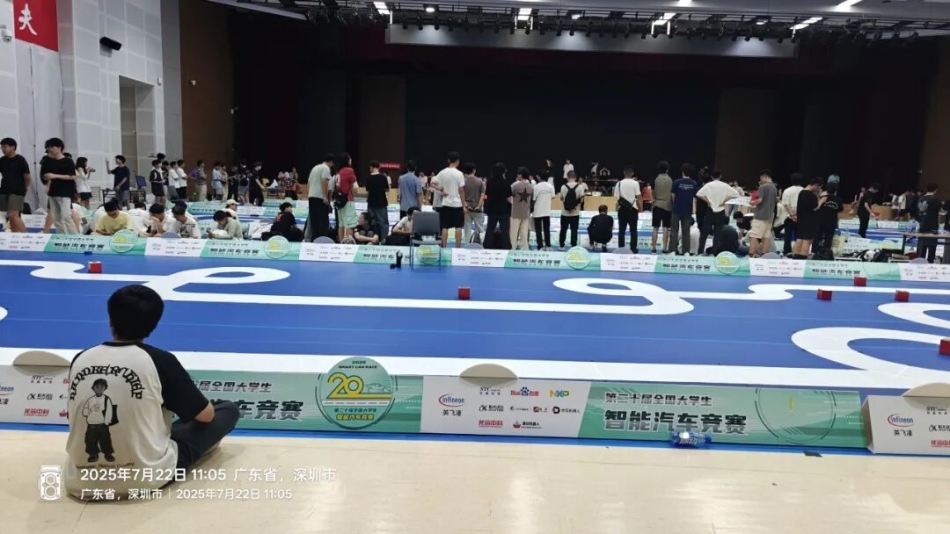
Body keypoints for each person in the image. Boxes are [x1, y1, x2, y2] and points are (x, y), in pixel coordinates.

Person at [65, 285, 239, 500]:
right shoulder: (160, 361)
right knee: (226, 410)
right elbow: (206, 416)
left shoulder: (81, 358)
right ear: (153, 325)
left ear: (110, 320)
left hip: (79, 481)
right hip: (145, 478)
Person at [41, 137, 79, 234]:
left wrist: (55, 176)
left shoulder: (68, 161)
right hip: (53, 192)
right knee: (56, 217)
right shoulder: (48, 161)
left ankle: (74, 237)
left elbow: (72, 176)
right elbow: (44, 175)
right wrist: (47, 179)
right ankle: (62, 236)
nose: (50, 149)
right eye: (49, 147)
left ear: (59, 147)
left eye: (52, 147)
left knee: (66, 216)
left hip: (65, 192)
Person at [695, 169, 736, 255]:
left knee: (704, 233)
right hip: (720, 210)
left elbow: (698, 194)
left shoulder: (709, 185)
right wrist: (724, 200)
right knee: (717, 234)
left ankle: (700, 252)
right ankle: (714, 253)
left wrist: (708, 201)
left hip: (711, 210)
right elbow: (736, 194)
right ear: (720, 176)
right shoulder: (725, 185)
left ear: (711, 176)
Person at [432, 151, 466, 248]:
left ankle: (443, 247)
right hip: (458, 204)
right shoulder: (460, 174)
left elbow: (432, 183)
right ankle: (458, 248)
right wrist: (464, 205)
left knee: (445, 227)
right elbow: (461, 190)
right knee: (458, 227)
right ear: (458, 161)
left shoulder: (442, 172)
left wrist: (440, 189)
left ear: (448, 160)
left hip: (446, 203)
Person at [0, 137, 31, 233]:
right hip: (4, 189)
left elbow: (27, 176)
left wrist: (25, 188)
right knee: (10, 215)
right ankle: (15, 234)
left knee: (13, 214)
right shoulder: (2, 160)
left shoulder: (20, 160)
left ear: (13, 147)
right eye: (2, 147)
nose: (3, 149)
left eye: (5, 147)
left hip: (17, 190)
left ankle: (26, 235)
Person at [748, 170, 778, 257]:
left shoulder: (763, 187)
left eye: (761, 178)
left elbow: (759, 200)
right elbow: (776, 200)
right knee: (766, 236)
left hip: (760, 215)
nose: (760, 180)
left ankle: (751, 253)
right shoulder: (774, 187)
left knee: (754, 234)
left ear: (765, 177)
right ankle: (764, 254)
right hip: (770, 216)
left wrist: (752, 203)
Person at [669, 163, 697, 255]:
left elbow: (673, 196)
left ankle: (672, 250)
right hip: (687, 210)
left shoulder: (676, 182)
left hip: (676, 209)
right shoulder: (694, 183)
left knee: (674, 230)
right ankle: (686, 252)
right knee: (686, 231)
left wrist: (676, 204)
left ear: (682, 171)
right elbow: (694, 198)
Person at [306, 153, 334, 241]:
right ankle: (322, 240)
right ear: (331, 162)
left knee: (314, 220)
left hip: (311, 196)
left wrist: (309, 194)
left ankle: (315, 239)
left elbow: (308, 183)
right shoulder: (326, 168)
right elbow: (324, 181)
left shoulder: (315, 168)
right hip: (320, 197)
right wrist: (325, 196)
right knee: (322, 221)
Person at [484, 162, 512, 249]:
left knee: (490, 228)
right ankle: (506, 246)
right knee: (505, 230)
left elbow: (487, 193)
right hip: (504, 209)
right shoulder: (506, 182)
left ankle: (487, 245)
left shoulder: (490, 182)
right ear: (503, 171)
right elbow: (508, 196)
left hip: (492, 208)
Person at [614, 165, 641, 253]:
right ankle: (633, 248)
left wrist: (616, 209)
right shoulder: (635, 183)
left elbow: (616, 198)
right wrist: (640, 208)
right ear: (632, 173)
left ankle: (621, 248)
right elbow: (639, 197)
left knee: (621, 230)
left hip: (622, 209)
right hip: (633, 209)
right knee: (633, 230)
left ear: (624, 173)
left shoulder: (619, 183)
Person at [792, 178, 820, 259]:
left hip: (801, 219)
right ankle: (803, 257)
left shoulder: (801, 192)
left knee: (800, 238)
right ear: (815, 185)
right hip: (809, 220)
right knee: (807, 240)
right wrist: (820, 201)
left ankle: (795, 255)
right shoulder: (811, 195)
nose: (818, 189)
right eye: (818, 187)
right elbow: (815, 208)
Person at [559, 171, 587, 249]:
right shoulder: (580, 187)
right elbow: (581, 200)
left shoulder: (563, 186)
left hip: (564, 213)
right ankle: (573, 245)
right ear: (576, 178)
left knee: (563, 229)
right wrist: (573, 206)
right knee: (574, 230)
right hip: (575, 212)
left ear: (567, 177)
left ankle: (561, 245)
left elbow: (561, 198)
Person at [335, 152, 359, 241]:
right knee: (350, 224)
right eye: (350, 158)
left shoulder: (338, 171)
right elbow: (355, 187)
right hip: (348, 200)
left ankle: (341, 243)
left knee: (341, 224)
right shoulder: (349, 170)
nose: (351, 160)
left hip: (339, 200)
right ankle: (348, 244)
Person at [651, 161, 673, 254]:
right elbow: (672, 194)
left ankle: (654, 248)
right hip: (667, 205)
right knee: (666, 227)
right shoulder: (670, 180)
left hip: (657, 204)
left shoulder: (655, 179)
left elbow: (652, 193)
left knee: (655, 227)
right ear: (667, 170)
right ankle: (664, 248)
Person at [366, 160, 390, 242]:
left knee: (372, 222)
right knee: (383, 223)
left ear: (371, 167)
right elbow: (387, 189)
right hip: (381, 203)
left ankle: (374, 239)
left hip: (371, 203)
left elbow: (367, 190)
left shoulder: (368, 178)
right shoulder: (383, 177)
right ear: (379, 167)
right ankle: (384, 240)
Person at [916, 183, 941, 263]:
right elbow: (941, 211)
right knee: (931, 248)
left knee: (921, 247)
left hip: (922, 225)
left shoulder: (920, 199)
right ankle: (930, 263)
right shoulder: (935, 200)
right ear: (936, 190)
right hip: (932, 227)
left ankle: (920, 262)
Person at [509, 167, 533, 250]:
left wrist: (512, 203)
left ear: (521, 175)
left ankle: (512, 247)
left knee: (513, 232)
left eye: (518, 174)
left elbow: (508, 196)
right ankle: (524, 248)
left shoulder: (515, 185)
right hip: (526, 212)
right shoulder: (531, 186)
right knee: (524, 232)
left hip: (515, 212)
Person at [815, 180, 843, 254]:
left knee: (818, 237)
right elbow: (839, 212)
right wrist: (837, 224)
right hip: (832, 222)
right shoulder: (838, 200)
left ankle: (815, 252)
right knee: (829, 239)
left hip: (821, 221)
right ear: (836, 190)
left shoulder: (823, 198)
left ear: (826, 190)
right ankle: (826, 253)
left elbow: (817, 208)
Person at [462, 162, 486, 244]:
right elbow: (482, 195)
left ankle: (467, 244)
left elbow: (461, 194)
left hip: (467, 209)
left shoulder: (463, 182)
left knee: (467, 228)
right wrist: (479, 206)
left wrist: (465, 205)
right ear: (474, 170)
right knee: (480, 229)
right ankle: (482, 244)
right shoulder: (480, 182)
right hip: (477, 209)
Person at [532, 167, 555, 250]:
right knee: (546, 229)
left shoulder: (536, 187)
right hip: (546, 211)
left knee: (538, 230)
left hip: (537, 211)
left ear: (539, 177)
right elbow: (553, 196)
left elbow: (533, 199)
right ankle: (548, 245)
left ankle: (540, 246)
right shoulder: (550, 186)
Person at [781, 174, 803, 255]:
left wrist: (792, 215)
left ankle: (787, 251)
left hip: (789, 216)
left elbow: (786, 204)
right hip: (801, 216)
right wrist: (797, 215)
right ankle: (798, 251)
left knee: (788, 235)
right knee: (799, 235)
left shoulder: (787, 191)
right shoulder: (804, 190)